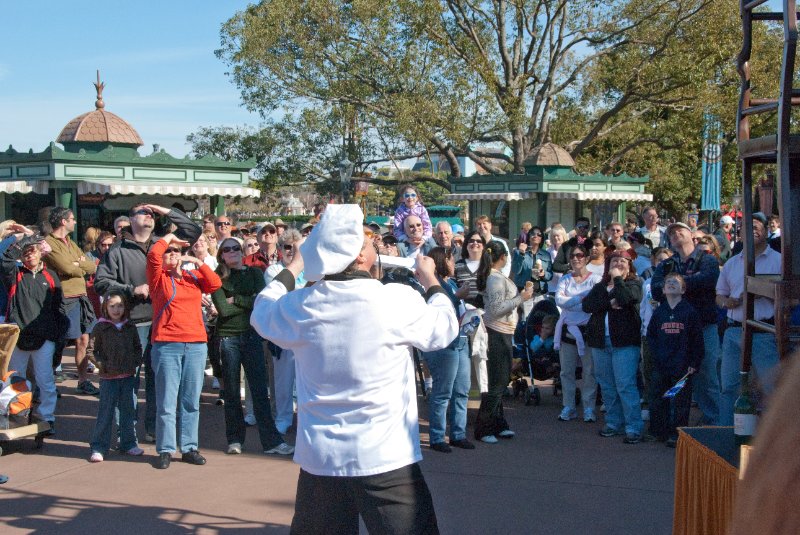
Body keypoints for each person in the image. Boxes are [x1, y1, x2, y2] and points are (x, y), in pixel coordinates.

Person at [250, 204, 457, 534]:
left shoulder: (301, 305)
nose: (375, 244)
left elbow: (262, 308)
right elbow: (445, 326)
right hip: (385, 457)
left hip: (321, 457)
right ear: (360, 257)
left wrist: (296, 264)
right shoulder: (395, 299)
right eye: (369, 240)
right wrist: (429, 276)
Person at [94, 203, 201, 443]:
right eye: (144, 212)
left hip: (162, 323)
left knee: (159, 382)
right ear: (131, 219)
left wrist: (164, 210)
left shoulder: (163, 243)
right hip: (132, 324)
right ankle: (127, 434)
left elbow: (193, 230)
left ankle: (154, 430)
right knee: (128, 381)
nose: (149, 216)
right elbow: (101, 282)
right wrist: (131, 289)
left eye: (152, 214)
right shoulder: (117, 250)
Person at [147, 233, 222, 469]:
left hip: (196, 344)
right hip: (167, 345)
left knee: (191, 400)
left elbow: (215, 284)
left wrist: (198, 261)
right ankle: (166, 448)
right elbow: (153, 255)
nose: (172, 254)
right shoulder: (158, 278)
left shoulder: (193, 276)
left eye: (176, 251)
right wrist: (170, 237)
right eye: (168, 251)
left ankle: (189, 447)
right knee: (167, 401)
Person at [211, 237, 292, 456]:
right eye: (227, 249)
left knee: (259, 392)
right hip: (228, 338)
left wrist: (235, 299)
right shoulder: (217, 278)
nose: (233, 251)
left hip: (252, 336)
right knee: (231, 393)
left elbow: (261, 303)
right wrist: (246, 301)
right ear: (221, 255)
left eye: (236, 248)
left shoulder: (255, 273)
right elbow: (223, 310)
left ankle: (272, 442)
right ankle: (234, 440)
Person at [650, 221, 721, 425]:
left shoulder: (707, 259)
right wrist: (689, 282)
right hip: (675, 333)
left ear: (692, 234)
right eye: (671, 233)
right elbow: (655, 289)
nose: (675, 234)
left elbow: (709, 279)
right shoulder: (666, 264)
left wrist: (675, 284)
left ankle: (714, 423)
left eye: (680, 230)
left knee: (707, 377)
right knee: (676, 379)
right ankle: (675, 425)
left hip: (704, 327)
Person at [716, 212, 781, 426]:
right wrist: (728, 302)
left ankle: (772, 437)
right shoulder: (732, 263)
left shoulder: (779, 261)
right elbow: (719, 295)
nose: (751, 230)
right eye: (746, 227)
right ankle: (727, 432)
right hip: (734, 331)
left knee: (771, 388)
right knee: (729, 387)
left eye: (756, 226)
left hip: (763, 332)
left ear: (766, 231)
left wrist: (762, 293)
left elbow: (790, 297)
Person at [2, 232, 65, 435]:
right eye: (26, 253)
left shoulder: (51, 275)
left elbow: (58, 307)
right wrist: (22, 240)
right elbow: (5, 261)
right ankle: (18, 414)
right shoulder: (15, 274)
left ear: (40, 253)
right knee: (16, 379)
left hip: (44, 337)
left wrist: (56, 334)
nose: (29, 256)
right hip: (18, 336)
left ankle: (48, 417)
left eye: (33, 251)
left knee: (45, 379)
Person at [474, 240, 533, 443]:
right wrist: (521, 298)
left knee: (500, 381)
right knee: (497, 383)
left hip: (503, 332)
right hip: (497, 333)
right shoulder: (495, 278)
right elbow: (496, 309)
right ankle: (483, 428)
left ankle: (498, 423)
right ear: (503, 257)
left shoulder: (495, 276)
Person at [583, 249, 644, 443]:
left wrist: (618, 280)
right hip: (601, 342)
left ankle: (633, 427)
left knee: (625, 385)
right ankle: (613, 423)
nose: (618, 264)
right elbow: (587, 305)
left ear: (629, 266)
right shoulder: (600, 287)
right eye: (614, 261)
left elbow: (627, 299)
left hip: (625, 343)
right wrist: (609, 303)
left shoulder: (634, 283)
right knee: (607, 386)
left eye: (622, 261)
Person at [423, 247, 474, 453]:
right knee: (443, 391)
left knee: (462, 390)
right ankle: (437, 437)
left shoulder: (450, 282)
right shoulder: (432, 284)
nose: (454, 264)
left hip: (460, 340)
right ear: (442, 261)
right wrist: (457, 296)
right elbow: (437, 310)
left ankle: (458, 434)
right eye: (451, 260)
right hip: (444, 344)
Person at [45, 207, 99, 396]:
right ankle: (47, 384)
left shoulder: (70, 242)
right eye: (72, 219)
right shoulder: (49, 242)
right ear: (63, 221)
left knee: (84, 339)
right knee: (59, 342)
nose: (75, 222)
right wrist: (78, 264)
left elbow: (91, 266)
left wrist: (77, 264)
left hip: (81, 297)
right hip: (64, 298)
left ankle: (83, 381)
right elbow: (66, 267)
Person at [645, 273, 703, 447]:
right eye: (668, 282)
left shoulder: (689, 312)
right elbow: (651, 336)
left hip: (682, 365)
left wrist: (694, 362)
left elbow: (697, 340)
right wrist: (656, 356)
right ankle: (659, 431)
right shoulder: (659, 312)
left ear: (683, 290)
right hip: (662, 364)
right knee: (658, 398)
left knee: (680, 401)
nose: (671, 284)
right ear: (663, 290)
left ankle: (677, 434)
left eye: (675, 283)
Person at [87, 291, 144, 462]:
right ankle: (99, 447)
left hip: (127, 376)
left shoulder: (130, 327)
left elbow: (137, 347)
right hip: (108, 379)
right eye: (112, 306)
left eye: (120, 306)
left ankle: (128, 443)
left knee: (128, 412)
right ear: (106, 307)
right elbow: (91, 351)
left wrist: (134, 362)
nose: (116, 309)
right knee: (105, 413)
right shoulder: (100, 327)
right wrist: (102, 365)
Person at [264, 229, 306, 434]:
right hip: (284, 334)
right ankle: (283, 418)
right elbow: (282, 297)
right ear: (280, 249)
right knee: (283, 381)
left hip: (306, 334)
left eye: (296, 248)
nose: (291, 251)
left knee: (307, 382)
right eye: (287, 247)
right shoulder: (273, 270)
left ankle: (305, 419)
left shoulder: (311, 269)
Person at [553, 244, 601, 422]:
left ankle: (589, 408)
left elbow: (592, 304)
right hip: (567, 330)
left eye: (580, 255)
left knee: (589, 371)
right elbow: (559, 301)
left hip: (588, 330)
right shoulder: (565, 279)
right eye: (572, 256)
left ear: (587, 258)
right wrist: (581, 298)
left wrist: (572, 302)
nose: (575, 258)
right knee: (566, 371)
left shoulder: (595, 279)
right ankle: (569, 406)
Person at [510, 226, 552, 298]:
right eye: (533, 233)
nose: (535, 236)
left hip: (540, 293)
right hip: (523, 292)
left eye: (539, 234)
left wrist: (543, 274)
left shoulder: (546, 254)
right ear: (529, 237)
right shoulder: (518, 252)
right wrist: (521, 254)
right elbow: (515, 270)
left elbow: (550, 275)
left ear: (542, 238)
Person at [454, 230, 488, 308]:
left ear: (483, 246)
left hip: (485, 310)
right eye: (471, 241)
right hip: (463, 310)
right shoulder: (457, 266)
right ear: (466, 244)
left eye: (479, 241)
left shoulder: (488, 266)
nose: (475, 243)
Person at [547, 226, 568, 294]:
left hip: (566, 286)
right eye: (554, 236)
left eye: (558, 235)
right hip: (552, 287)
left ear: (563, 236)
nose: (556, 238)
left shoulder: (568, 250)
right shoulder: (548, 251)